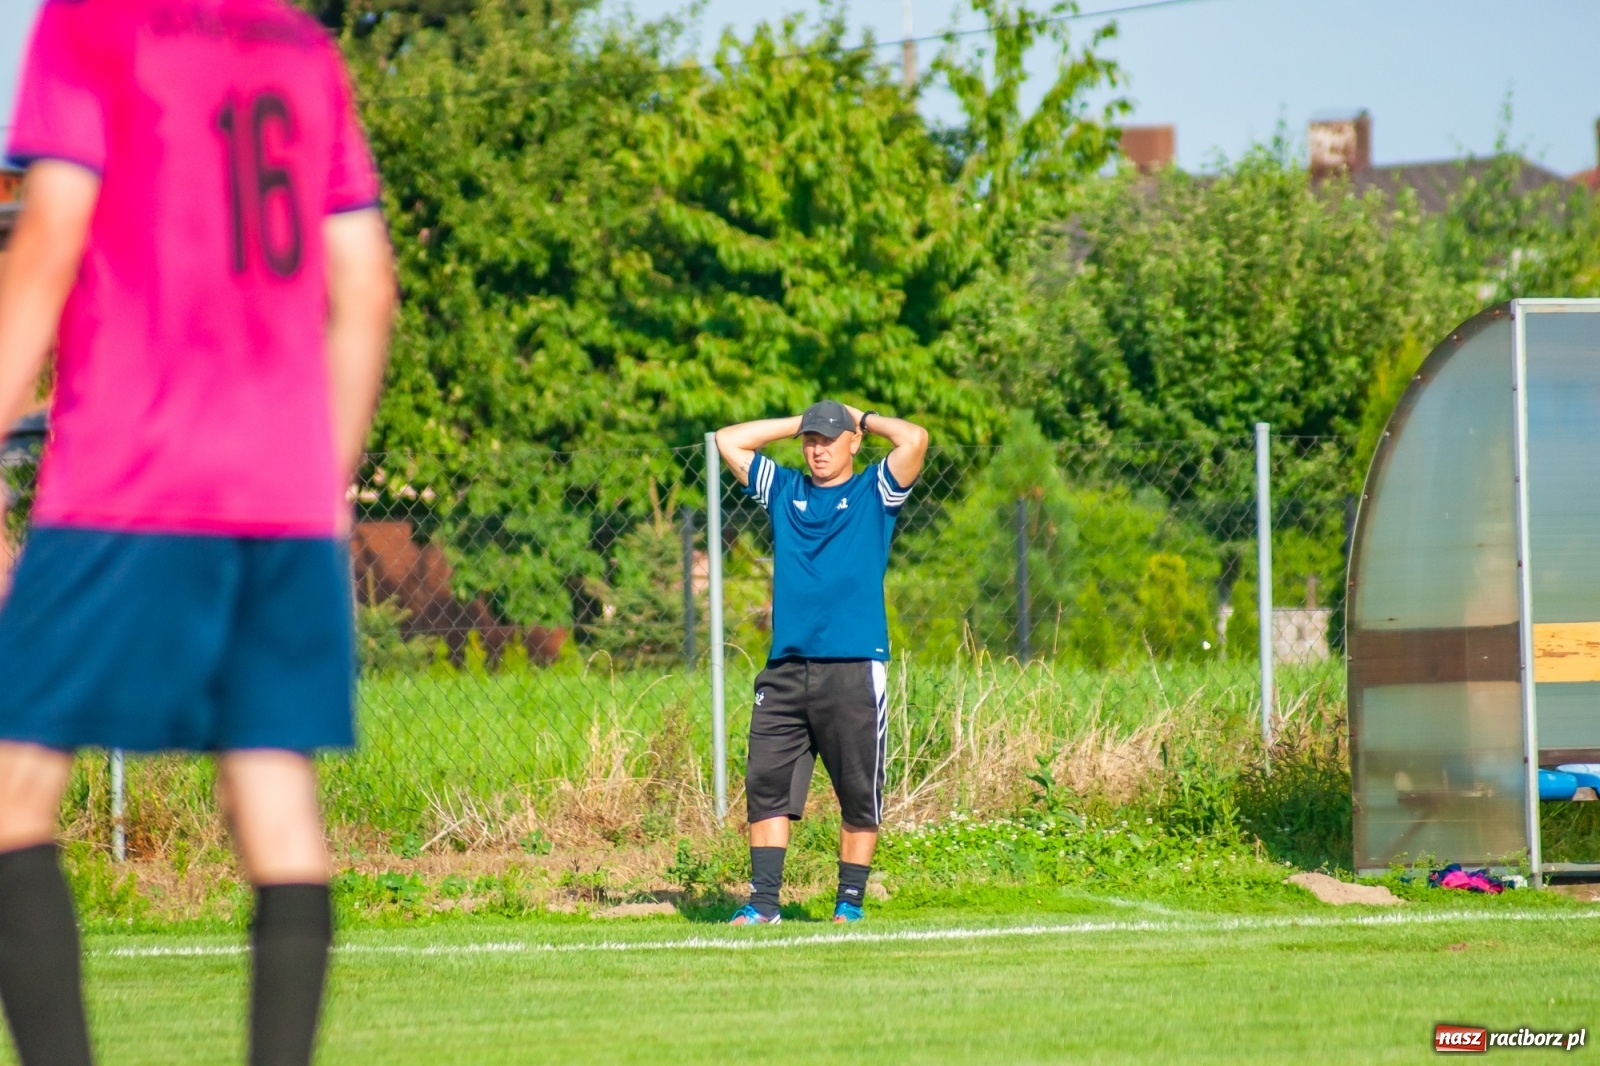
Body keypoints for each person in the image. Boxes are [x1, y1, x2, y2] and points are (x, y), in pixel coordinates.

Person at [0, 1, 395, 1063]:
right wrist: (325, 478)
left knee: (14, 789)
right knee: (276, 806)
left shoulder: (91, 26)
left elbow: (44, 247)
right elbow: (365, 287)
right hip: (277, 489)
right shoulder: (301, 48)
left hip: (129, 469)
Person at [715, 400, 929, 924]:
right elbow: (728, 439)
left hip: (854, 666)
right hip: (786, 668)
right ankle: (764, 904)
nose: (818, 449)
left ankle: (848, 904)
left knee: (858, 791)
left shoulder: (873, 491)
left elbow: (915, 440)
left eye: (829, 439)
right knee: (766, 784)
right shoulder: (786, 490)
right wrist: (799, 422)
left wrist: (866, 417)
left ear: (852, 442)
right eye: (811, 440)